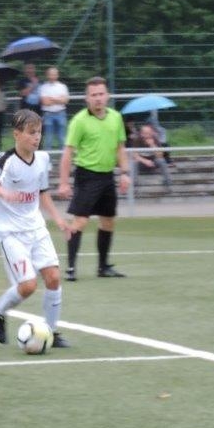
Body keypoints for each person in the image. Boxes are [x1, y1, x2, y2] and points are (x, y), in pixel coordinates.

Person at [0, 109, 72, 350]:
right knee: (28, 286)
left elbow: (42, 192)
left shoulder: (42, 159)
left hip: (35, 227)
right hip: (10, 233)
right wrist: (5, 193)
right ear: (17, 134)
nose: (37, 137)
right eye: (31, 132)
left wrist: (58, 219)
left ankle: (51, 332)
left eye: (39, 132)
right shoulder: (7, 161)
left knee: (53, 277)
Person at [57, 76, 131, 281]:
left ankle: (103, 267)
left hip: (107, 176)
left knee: (108, 221)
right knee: (80, 221)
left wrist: (125, 173)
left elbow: (120, 148)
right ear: (87, 98)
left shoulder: (116, 117)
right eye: (93, 95)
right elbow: (68, 153)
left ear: (107, 96)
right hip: (87, 176)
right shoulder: (79, 121)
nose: (98, 98)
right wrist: (63, 183)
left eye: (101, 94)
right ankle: (71, 268)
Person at [132, 123, 172, 192]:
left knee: (161, 161)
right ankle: (134, 185)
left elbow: (160, 155)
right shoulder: (137, 140)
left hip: (153, 163)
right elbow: (134, 155)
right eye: (145, 133)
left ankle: (167, 183)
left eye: (149, 133)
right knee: (134, 163)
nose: (147, 135)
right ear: (141, 134)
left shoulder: (155, 139)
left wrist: (152, 145)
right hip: (142, 164)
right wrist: (145, 161)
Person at [39, 66, 69, 149]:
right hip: (48, 114)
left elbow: (65, 101)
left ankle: (63, 155)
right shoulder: (43, 87)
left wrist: (52, 99)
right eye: (50, 74)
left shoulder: (62, 87)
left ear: (57, 75)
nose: (52, 76)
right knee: (48, 138)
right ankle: (48, 156)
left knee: (62, 137)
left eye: (54, 74)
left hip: (61, 113)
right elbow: (45, 102)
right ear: (47, 75)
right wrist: (59, 99)